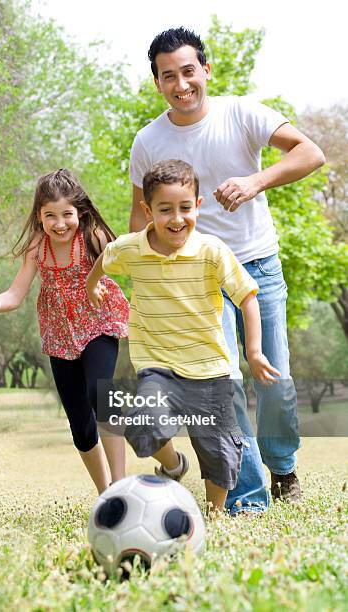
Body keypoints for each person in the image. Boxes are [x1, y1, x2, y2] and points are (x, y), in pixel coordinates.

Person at [128, 28, 325, 510]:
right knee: (223, 384)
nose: (181, 84)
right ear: (157, 83)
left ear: (206, 70)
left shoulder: (242, 113)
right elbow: (139, 216)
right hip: (195, 280)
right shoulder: (148, 140)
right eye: (168, 76)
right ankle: (248, 492)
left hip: (258, 265)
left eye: (188, 72)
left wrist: (257, 181)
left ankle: (282, 466)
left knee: (273, 378)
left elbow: (310, 153)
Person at [87, 159, 280, 512]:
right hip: (157, 365)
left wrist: (253, 352)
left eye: (185, 208)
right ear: (148, 210)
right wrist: (92, 284)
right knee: (143, 427)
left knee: (219, 451)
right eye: (165, 210)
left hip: (209, 369)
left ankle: (216, 515)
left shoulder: (212, 251)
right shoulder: (133, 248)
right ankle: (174, 465)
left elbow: (248, 297)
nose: (177, 218)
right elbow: (105, 257)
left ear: (198, 206)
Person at [0, 169, 129, 493]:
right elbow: (16, 294)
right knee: (80, 427)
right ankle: (106, 495)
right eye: (50, 216)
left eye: (67, 214)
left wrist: (100, 284)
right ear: (39, 216)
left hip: (99, 324)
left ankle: (122, 485)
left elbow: (129, 265)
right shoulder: (37, 246)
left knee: (100, 396)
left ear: (80, 212)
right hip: (59, 337)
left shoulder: (94, 236)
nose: (60, 224)